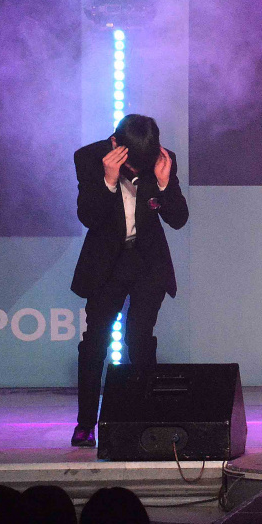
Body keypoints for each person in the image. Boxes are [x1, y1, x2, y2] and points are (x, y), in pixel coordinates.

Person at [69, 114, 189, 447]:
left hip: (148, 262)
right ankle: (85, 424)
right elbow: (89, 217)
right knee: (95, 341)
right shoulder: (89, 157)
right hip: (107, 263)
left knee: (139, 339)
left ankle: (150, 419)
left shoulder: (163, 160)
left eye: (142, 165)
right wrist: (108, 180)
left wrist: (164, 185)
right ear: (115, 144)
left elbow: (178, 219)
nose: (137, 170)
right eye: (132, 165)